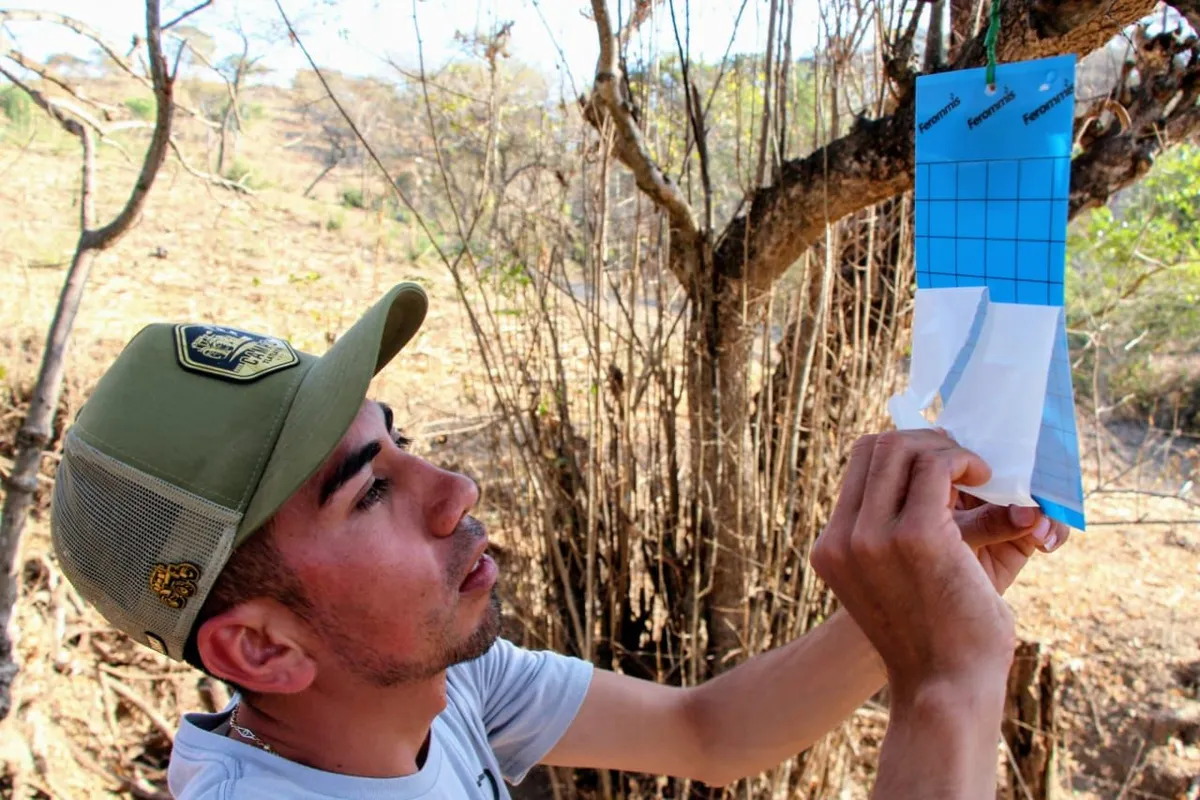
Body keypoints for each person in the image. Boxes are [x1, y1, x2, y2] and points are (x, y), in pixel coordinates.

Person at [49, 281, 1069, 799]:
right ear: (262, 646)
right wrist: (947, 684)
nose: (454, 489)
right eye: (369, 491)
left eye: (398, 441)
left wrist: (927, 600)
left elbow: (708, 732)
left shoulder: (432, 688)